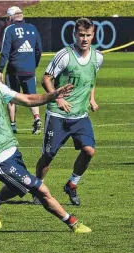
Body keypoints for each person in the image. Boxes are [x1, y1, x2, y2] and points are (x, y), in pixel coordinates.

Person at [0, 54, 91, 234]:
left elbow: (27, 100)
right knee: (40, 189)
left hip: (11, 150)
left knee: (18, 185)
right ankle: (72, 222)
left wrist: (54, 95)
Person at [35, 17, 103, 206]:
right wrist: (58, 97)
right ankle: (38, 188)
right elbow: (46, 79)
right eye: (81, 35)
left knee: (89, 151)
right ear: (74, 34)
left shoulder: (98, 57)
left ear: (93, 35)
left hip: (80, 116)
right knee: (48, 156)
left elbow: (92, 79)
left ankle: (72, 184)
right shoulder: (64, 55)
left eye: (88, 35)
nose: (84, 39)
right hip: (58, 114)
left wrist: (91, 98)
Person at [0, 6, 42, 135]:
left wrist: (0, 69)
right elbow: (39, 50)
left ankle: (13, 125)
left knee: (11, 97)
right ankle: (37, 118)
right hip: (29, 70)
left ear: (11, 17)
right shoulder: (33, 28)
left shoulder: (10, 30)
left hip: (13, 70)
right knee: (32, 97)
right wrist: (34, 65)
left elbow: (4, 52)